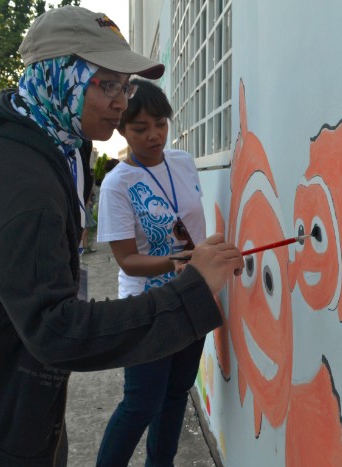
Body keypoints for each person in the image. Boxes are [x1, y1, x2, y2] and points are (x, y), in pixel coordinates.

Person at [0, 6, 244, 467]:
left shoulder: (61, 145)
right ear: (57, 76)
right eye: (107, 84)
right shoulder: (20, 180)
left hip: (17, 382)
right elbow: (55, 328)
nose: (123, 102)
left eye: (125, 85)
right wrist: (191, 289)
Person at [95, 79, 205, 467]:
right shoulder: (117, 184)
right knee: (141, 404)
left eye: (160, 123)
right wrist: (179, 262)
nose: (153, 135)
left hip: (193, 296)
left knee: (176, 393)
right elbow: (127, 259)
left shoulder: (183, 161)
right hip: (148, 307)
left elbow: (194, 225)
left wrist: (205, 259)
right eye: (140, 128)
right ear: (122, 130)